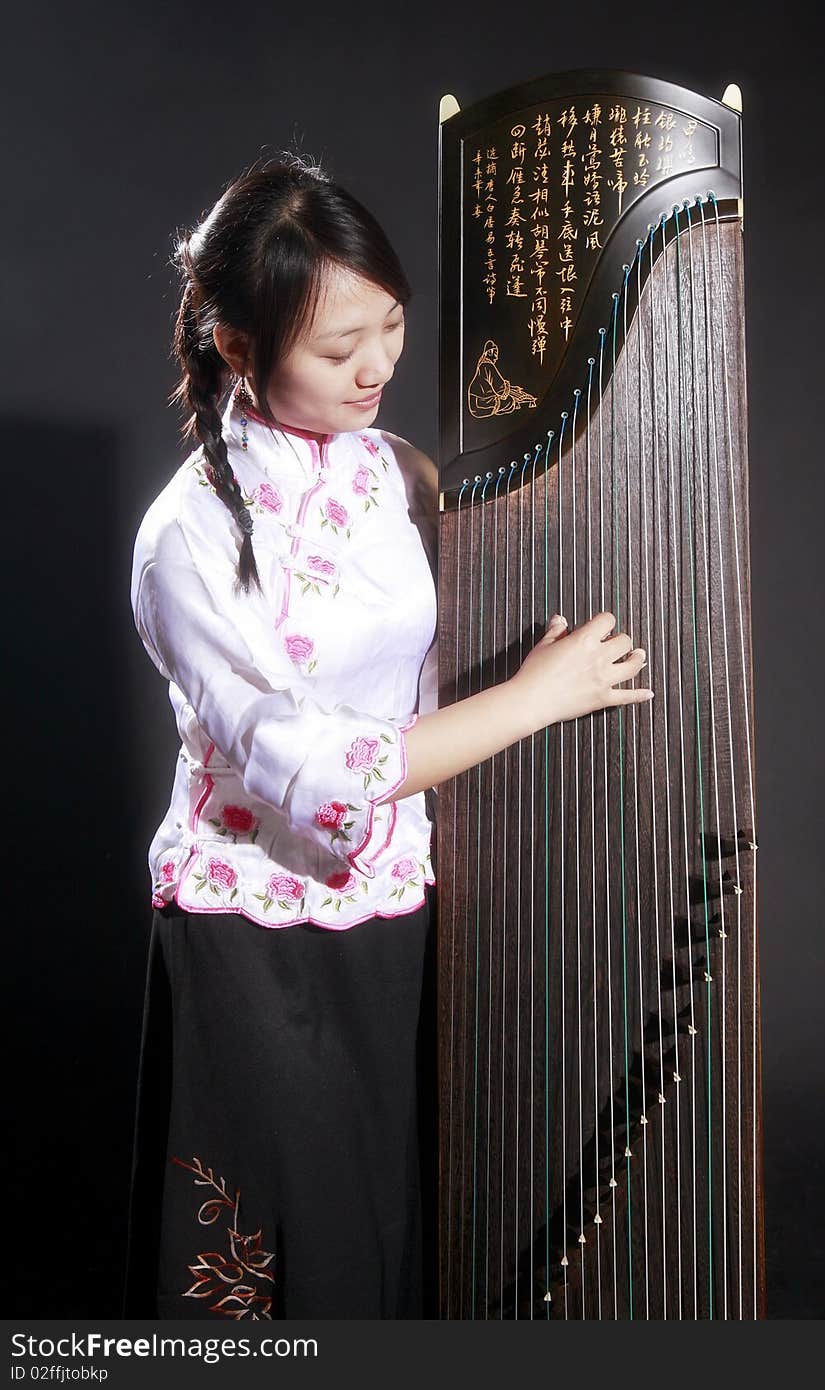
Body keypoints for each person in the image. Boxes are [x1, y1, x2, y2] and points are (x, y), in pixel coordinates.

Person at [122, 151, 653, 1322]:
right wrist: (530, 699)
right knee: (269, 1247)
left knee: (377, 1220)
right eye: (335, 347)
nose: (376, 369)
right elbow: (302, 766)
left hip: (394, 898)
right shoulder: (186, 541)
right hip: (250, 926)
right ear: (238, 347)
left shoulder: (385, 471)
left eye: (391, 329)